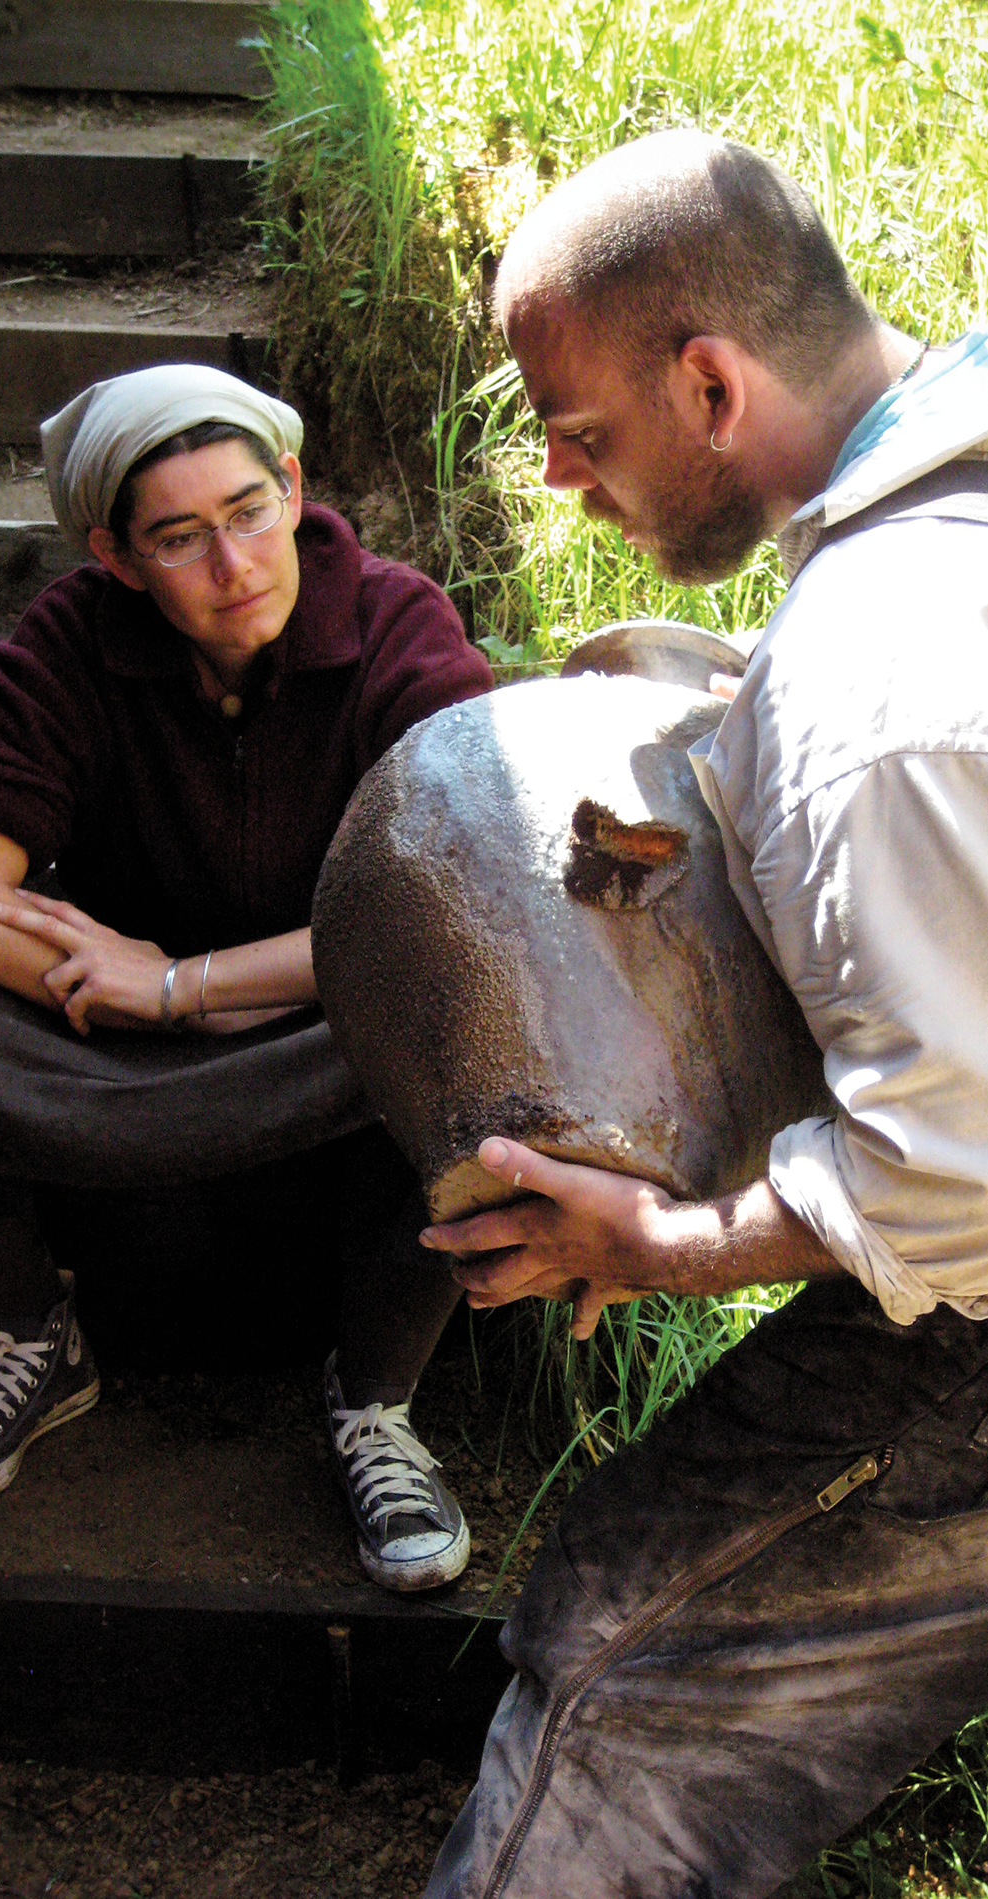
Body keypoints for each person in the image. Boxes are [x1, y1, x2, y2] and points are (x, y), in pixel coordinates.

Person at [417, 131, 988, 1892]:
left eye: (581, 433)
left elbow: (957, 1178)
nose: (561, 478)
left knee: (620, 1656)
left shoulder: (873, 687)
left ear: (712, 384)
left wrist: (660, 1242)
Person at [0, 363, 492, 1594]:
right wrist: (142, 999)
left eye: (250, 511)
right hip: (118, 1046)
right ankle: (33, 1336)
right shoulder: (72, 640)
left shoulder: (397, 624)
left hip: (335, 1038)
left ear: (295, 489)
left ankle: (375, 1399)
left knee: (473, 1006)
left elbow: (462, 905)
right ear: (115, 557)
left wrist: (184, 984)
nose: (235, 564)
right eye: (179, 537)